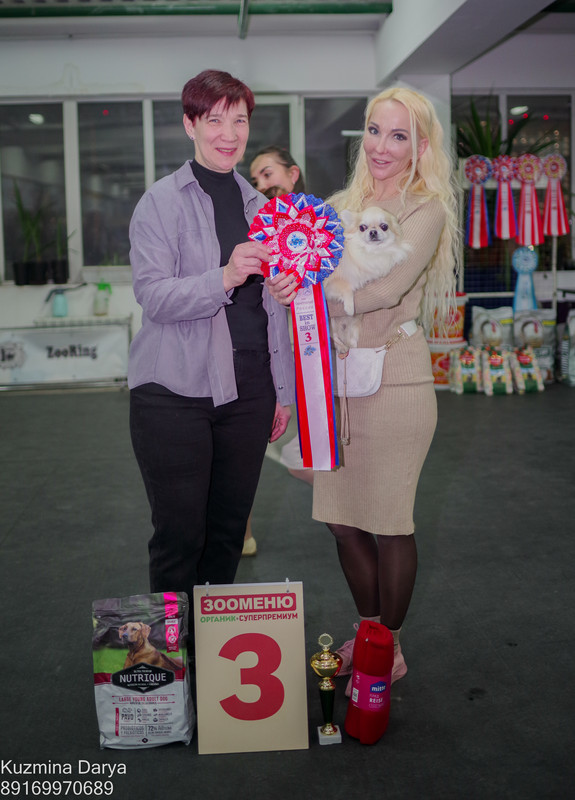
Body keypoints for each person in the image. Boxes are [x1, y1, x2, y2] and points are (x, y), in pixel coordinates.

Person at [266, 87, 459, 690]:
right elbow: (294, 272)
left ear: (420, 146)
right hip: (338, 385)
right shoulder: (337, 207)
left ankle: (386, 648)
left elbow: (387, 290)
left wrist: (312, 294)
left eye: (399, 135)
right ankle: (371, 628)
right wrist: (285, 284)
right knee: (342, 519)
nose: (382, 146)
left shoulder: (425, 209)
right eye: (375, 130)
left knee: (391, 520)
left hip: (397, 380)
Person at [128, 70, 295, 616]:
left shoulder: (264, 209)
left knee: (227, 535)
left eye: (239, 120)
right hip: (173, 393)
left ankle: (213, 657)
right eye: (215, 120)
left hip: (250, 392)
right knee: (179, 537)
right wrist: (224, 276)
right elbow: (154, 297)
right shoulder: (159, 203)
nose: (229, 134)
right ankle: (170, 659)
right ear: (190, 124)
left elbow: (273, 313)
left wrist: (282, 392)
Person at [240, 145, 313, 559]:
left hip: (317, 355)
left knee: (313, 452)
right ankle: (242, 534)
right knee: (245, 450)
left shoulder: (323, 227)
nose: (262, 185)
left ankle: (353, 509)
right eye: (255, 180)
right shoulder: (253, 229)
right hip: (264, 355)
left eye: (268, 174)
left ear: (293, 173)